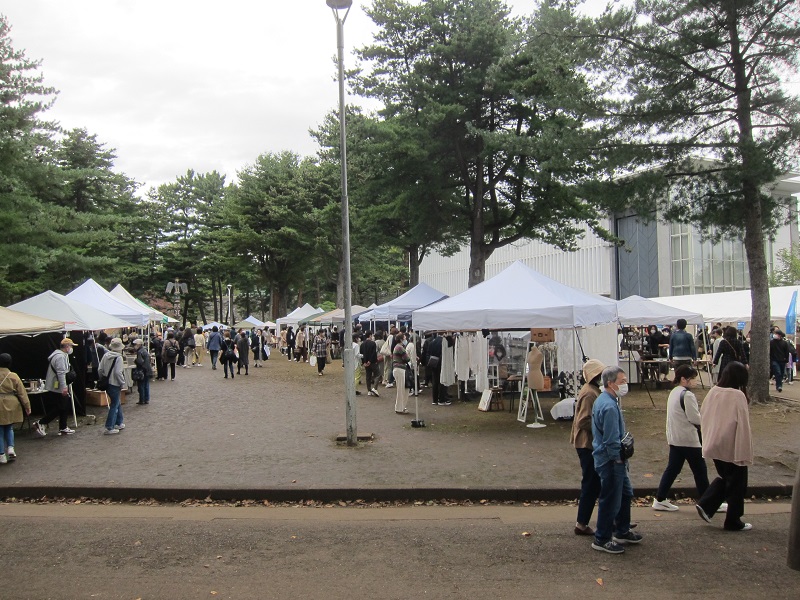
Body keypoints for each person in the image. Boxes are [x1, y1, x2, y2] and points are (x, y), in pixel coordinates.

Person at [696, 361, 753, 531]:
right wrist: (745, 451)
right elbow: (742, 425)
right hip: (731, 445)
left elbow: (704, 415)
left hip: (714, 443)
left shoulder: (713, 391)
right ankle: (732, 520)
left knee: (728, 478)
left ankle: (707, 504)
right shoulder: (737, 396)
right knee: (738, 483)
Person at [591, 366, 643, 554]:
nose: (625, 384)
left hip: (612, 458)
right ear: (610, 383)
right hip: (612, 461)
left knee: (625, 494)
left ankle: (622, 529)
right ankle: (602, 538)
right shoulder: (609, 406)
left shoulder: (606, 400)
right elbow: (611, 439)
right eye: (622, 381)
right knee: (611, 499)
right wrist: (617, 459)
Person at [652, 365, 709, 511]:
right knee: (700, 470)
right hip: (688, 439)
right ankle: (708, 502)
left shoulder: (674, 392)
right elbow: (694, 418)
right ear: (684, 379)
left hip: (675, 437)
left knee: (673, 469)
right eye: (692, 378)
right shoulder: (687, 395)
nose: (695, 381)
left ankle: (660, 498)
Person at [570, 359, 605, 536]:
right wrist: (602, 427)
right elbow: (583, 420)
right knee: (592, 484)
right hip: (587, 444)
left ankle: (610, 520)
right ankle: (582, 523)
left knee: (596, 484)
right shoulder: (590, 393)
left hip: (588, 443)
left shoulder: (591, 391)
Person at [32, 337, 77, 437]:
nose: (72, 348)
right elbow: (61, 373)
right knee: (61, 406)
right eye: (71, 346)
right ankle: (41, 422)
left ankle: (63, 427)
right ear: (67, 346)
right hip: (58, 386)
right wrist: (64, 387)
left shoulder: (59, 355)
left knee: (63, 405)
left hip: (56, 385)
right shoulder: (60, 357)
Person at [0, 353, 31, 463]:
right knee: (9, 427)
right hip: (11, 402)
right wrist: (27, 406)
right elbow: (22, 392)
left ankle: (1, 455)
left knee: (0, 430)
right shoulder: (13, 376)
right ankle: (11, 448)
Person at [98, 337, 127, 435]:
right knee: (115, 404)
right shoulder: (119, 358)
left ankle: (119, 422)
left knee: (116, 402)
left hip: (107, 383)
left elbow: (100, 369)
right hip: (115, 383)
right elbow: (118, 372)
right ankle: (109, 426)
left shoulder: (106, 355)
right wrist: (122, 382)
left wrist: (103, 378)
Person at [392, 332, 411, 414]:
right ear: (401, 339)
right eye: (404, 338)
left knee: (402, 389)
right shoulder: (400, 347)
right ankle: (399, 408)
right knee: (401, 390)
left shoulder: (397, 347)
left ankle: (401, 407)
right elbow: (407, 358)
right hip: (400, 369)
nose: (405, 339)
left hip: (398, 369)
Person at [132, 338, 153, 405]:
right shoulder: (144, 350)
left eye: (135, 344)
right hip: (147, 369)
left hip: (142, 370)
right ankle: (146, 399)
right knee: (146, 385)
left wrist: (135, 361)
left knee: (141, 385)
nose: (134, 346)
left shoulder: (140, 352)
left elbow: (140, 362)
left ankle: (142, 399)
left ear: (138, 344)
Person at [361, 331, 380, 396]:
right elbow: (373, 353)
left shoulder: (362, 344)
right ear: (370, 335)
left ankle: (369, 390)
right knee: (377, 374)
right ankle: (374, 388)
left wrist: (364, 362)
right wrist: (370, 361)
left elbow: (361, 354)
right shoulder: (373, 343)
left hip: (365, 363)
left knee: (368, 376)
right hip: (373, 362)